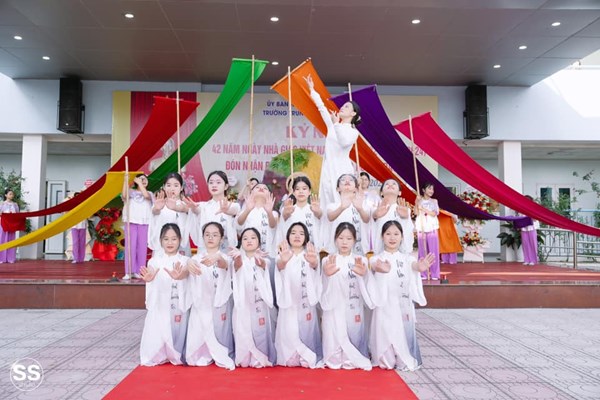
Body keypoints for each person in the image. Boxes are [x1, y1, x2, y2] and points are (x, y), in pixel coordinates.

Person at [368, 220, 434, 370]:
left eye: (396, 234)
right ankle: (385, 356)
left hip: (402, 306)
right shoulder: (376, 259)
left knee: (403, 345)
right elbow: (374, 267)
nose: (392, 238)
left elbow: (415, 266)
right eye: (388, 234)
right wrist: (379, 269)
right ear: (382, 237)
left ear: (402, 237)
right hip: (384, 306)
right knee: (386, 358)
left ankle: (404, 356)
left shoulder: (408, 259)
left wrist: (420, 267)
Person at [320, 222, 373, 370]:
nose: (344, 242)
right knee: (333, 336)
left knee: (353, 334)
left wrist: (364, 275)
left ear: (354, 240)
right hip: (334, 306)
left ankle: (352, 358)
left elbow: (367, 286)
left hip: (353, 306)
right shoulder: (327, 260)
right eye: (341, 238)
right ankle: (334, 358)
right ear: (335, 239)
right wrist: (327, 275)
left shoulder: (360, 260)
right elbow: (322, 286)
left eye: (349, 238)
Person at [305, 74, 361, 210]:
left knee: (342, 201)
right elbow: (322, 108)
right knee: (327, 202)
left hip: (342, 170)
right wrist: (312, 90)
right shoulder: (333, 126)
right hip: (328, 168)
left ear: (353, 114)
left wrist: (336, 124)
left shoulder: (353, 132)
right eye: (343, 106)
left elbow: (344, 142)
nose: (342, 107)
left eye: (347, 107)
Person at [139, 223, 191, 366]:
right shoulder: (155, 260)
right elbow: (151, 271)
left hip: (177, 302)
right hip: (160, 303)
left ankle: (176, 353)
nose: (170, 242)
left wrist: (180, 276)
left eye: (174, 239)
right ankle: (159, 353)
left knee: (176, 329)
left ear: (180, 240)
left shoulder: (185, 260)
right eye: (166, 239)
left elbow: (186, 273)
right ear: (161, 241)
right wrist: (149, 278)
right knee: (159, 328)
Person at [185, 222, 235, 370]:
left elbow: (224, 264)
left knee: (217, 331)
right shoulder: (196, 258)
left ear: (221, 238)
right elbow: (186, 274)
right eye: (207, 235)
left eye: (215, 235)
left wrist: (217, 258)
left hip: (218, 305)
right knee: (195, 352)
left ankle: (219, 353)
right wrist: (188, 263)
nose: (210, 238)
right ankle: (202, 353)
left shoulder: (226, 257)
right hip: (201, 305)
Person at [274, 222, 322, 368]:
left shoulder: (310, 255)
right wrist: (283, 261)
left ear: (306, 238)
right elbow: (279, 267)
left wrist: (314, 263)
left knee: (306, 328)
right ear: (288, 236)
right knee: (289, 329)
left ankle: (307, 355)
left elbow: (315, 269)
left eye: (301, 234)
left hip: (305, 301)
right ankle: (289, 355)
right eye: (293, 233)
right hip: (289, 302)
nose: (297, 236)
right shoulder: (283, 255)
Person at [229, 228, 276, 367]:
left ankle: (260, 357)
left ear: (259, 242)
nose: (249, 240)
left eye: (253, 238)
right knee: (242, 329)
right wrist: (238, 259)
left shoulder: (264, 260)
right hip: (243, 305)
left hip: (259, 304)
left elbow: (262, 265)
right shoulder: (237, 260)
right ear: (241, 243)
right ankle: (243, 357)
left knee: (260, 330)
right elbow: (237, 267)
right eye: (245, 238)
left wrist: (258, 260)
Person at [187, 171, 240, 253]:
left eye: (218, 182)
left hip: (225, 251)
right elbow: (197, 210)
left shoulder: (234, 205)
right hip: (206, 251)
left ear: (226, 186)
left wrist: (226, 211)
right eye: (211, 182)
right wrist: (193, 208)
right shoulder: (203, 206)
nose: (214, 185)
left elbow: (234, 211)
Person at [325, 174, 371, 256]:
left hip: (358, 251)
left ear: (356, 188)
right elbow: (330, 217)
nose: (347, 181)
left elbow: (367, 219)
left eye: (351, 180)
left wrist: (360, 209)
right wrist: (342, 208)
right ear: (337, 188)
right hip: (336, 251)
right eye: (343, 180)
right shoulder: (332, 206)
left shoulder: (362, 204)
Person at [148, 172, 190, 255]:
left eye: (176, 185)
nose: (172, 188)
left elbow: (186, 209)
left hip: (180, 247)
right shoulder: (159, 203)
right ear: (164, 187)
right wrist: (156, 209)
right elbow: (154, 212)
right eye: (168, 185)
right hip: (162, 247)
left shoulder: (184, 204)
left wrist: (176, 207)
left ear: (181, 187)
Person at [278, 175, 323, 250]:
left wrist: (317, 212)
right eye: (297, 189)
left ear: (309, 191)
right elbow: (284, 219)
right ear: (293, 192)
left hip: (311, 250)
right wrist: (286, 213)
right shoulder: (288, 209)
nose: (301, 191)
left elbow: (320, 217)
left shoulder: (314, 209)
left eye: (304, 189)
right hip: (291, 251)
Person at [122, 173, 153, 279]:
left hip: (144, 222)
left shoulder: (149, 193)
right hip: (131, 221)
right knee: (130, 247)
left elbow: (146, 196)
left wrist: (140, 183)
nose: (143, 180)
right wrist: (126, 181)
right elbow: (124, 196)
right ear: (135, 181)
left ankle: (140, 271)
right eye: (141, 179)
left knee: (142, 247)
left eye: (145, 179)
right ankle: (129, 271)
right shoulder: (131, 192)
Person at [372, 179, 414, 255]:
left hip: (400, 255)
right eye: (387, 184)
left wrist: (405, 219)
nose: (390, 185)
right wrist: (375, 215)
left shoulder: (405, 210)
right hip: (381, 254)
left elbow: (408, 233)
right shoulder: (375, 209)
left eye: (394, 184)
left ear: (399, 192)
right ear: (381, 192)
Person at [415, 182, 440, 280]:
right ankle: (423, 273)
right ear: (423, 190)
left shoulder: (434, 201)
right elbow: (416, 212)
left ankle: (435, 273)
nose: (431, 191)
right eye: (429, 188)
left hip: (431, 227)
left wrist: (423, 209)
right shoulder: (419, 200)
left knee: (433, 251)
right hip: (421, 228)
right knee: (422, 251)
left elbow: (434, 213)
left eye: (432, 189)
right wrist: (416, 203)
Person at [0, 189, 19, 263]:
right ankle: (1, 258)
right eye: (10, 194)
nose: (12, 195)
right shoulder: (2, 204)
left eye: (12, 194)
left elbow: (17, 214)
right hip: (3, 224)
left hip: (11, 225)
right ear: (6, 195)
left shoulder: (15, 204)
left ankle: (10, 258)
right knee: (2, 239)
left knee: (11, 240)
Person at [521, 195, 540, 266]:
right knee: (525, 244)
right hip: (524, 228)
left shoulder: (534, 208)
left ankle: (533, 260)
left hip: (532, 228)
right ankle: (527, 259)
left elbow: (536, 218)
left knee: (533, 244)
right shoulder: (521, 208)